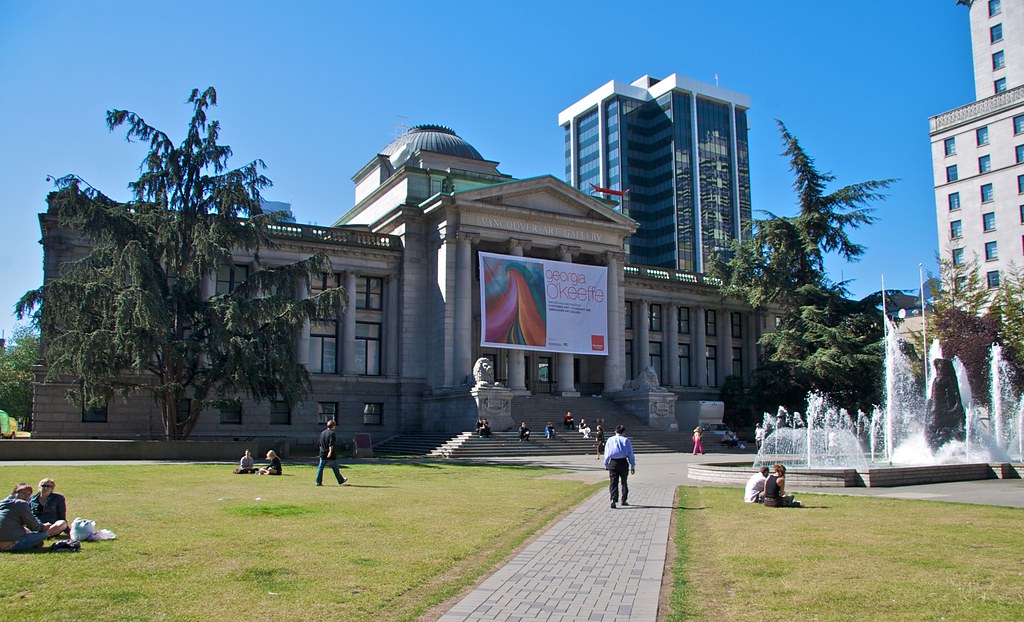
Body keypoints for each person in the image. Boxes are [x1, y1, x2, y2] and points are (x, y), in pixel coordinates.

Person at [0, 484, 69, 552]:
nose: (26, 496)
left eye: (29, 494)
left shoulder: (2, 503)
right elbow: (35, 527)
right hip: (12, 544)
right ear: (15, 493)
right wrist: (46, 527)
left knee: (38, 542)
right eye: (23, 493)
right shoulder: (21, 503)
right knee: (61, 524)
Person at [603, 425, 636, 509]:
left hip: (613, 462)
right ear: (623, 432)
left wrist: (606, 463)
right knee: (624, 481)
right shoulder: (626, 440)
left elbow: (607, 452)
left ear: (615, 431)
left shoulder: (610, 440)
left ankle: (613, 499)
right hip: (623, 462)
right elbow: (630, 453)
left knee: (613, 482)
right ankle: (623, 500)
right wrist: (632, 465)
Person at [316, 420, 347, 486]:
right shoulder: (332, 433)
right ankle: (340, 480)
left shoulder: (322, 433)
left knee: (320, 468)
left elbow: (320, 444)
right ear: (333, 426)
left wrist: (321, 451)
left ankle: (318, 482)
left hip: (323, 453)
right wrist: (330, 452)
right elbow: (331, 444)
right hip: (330, 454)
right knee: (335, 468)